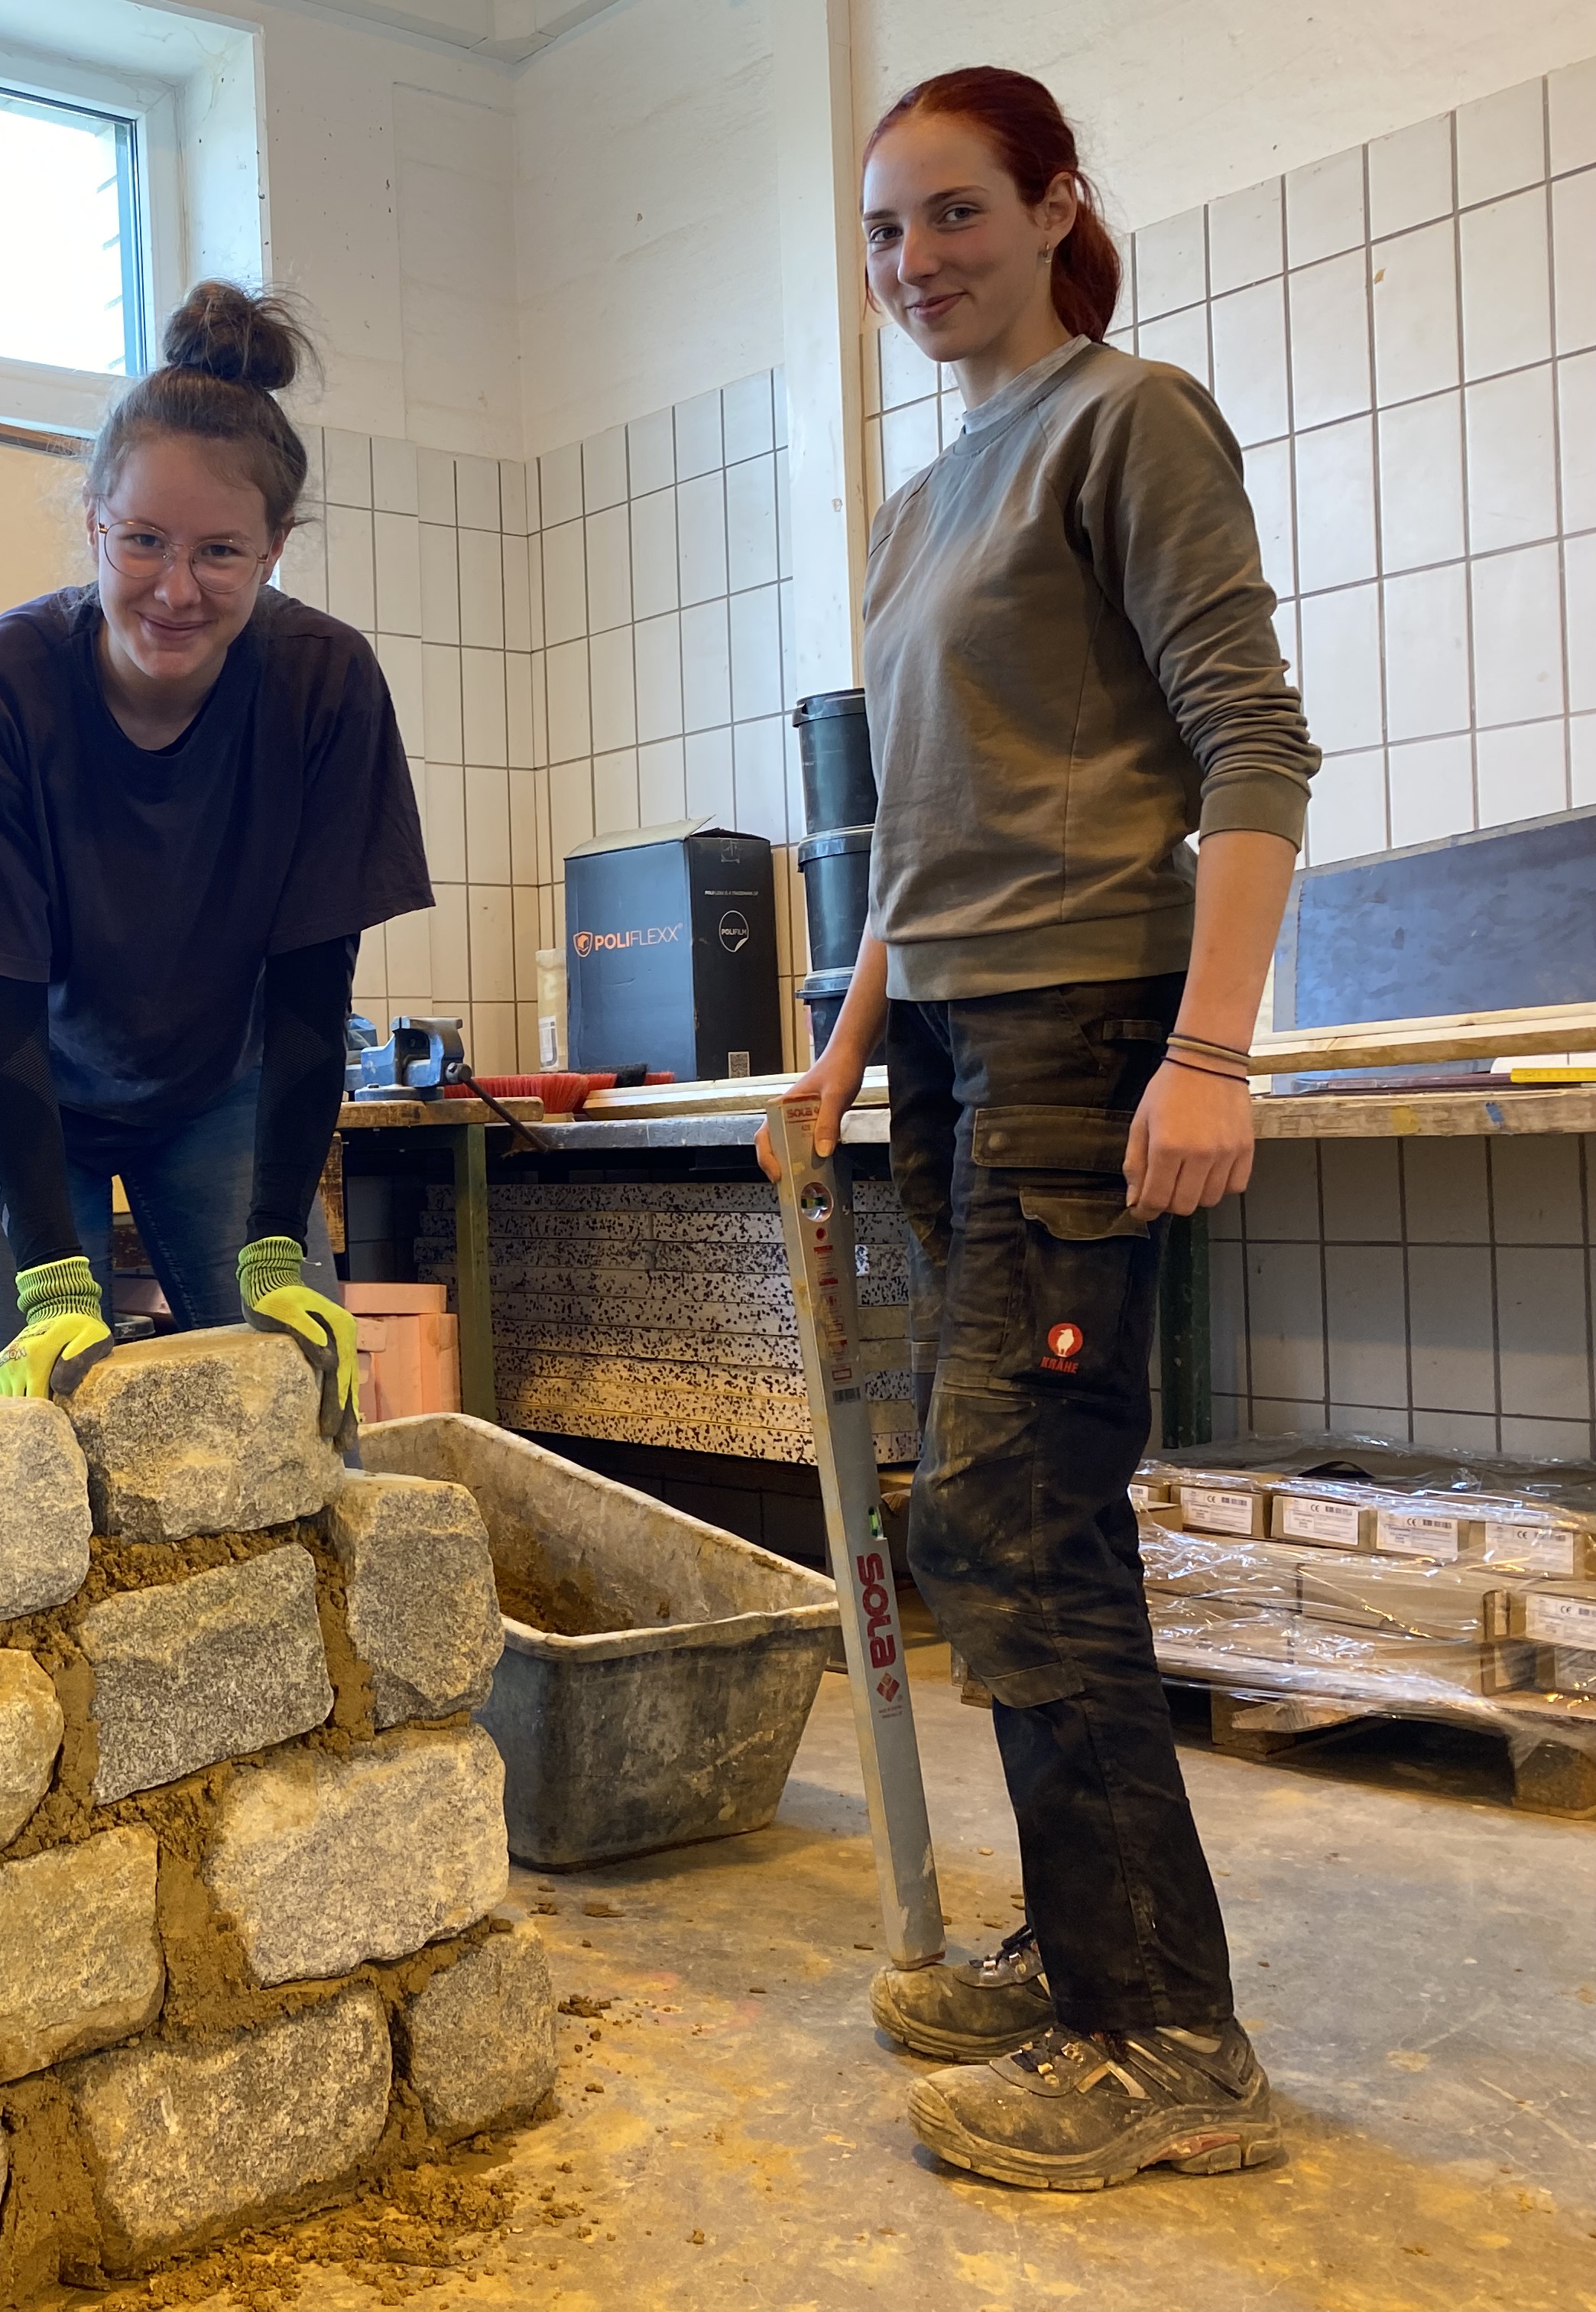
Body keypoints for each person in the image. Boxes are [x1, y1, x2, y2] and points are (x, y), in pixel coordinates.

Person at [762, 68, 1316, 2189]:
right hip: (956, 1045)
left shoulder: (1126, 421)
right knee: (993, 1510)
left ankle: (1164, 2033)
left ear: (1058, 202)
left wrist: (1215, 1048)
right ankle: (1094, 1952)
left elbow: (1250, 739)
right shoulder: (920, 503)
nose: (917, 264)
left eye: (956, 214)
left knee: (1019, 1512)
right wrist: (838, 1054)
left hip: (1097, 1030)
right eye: (889, 232)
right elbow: (919, 831)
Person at [0, 281, 432, 1419]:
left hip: (224, 1083)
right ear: (94, 519)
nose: (175, 588)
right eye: (142, 540)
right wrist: (53, 1281)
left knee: (298, 1417)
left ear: (276, 549)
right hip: (24, 1076)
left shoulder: (323, 686)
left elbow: (310, 991)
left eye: (221, 553)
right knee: (46, 1435)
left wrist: (272, 1255)